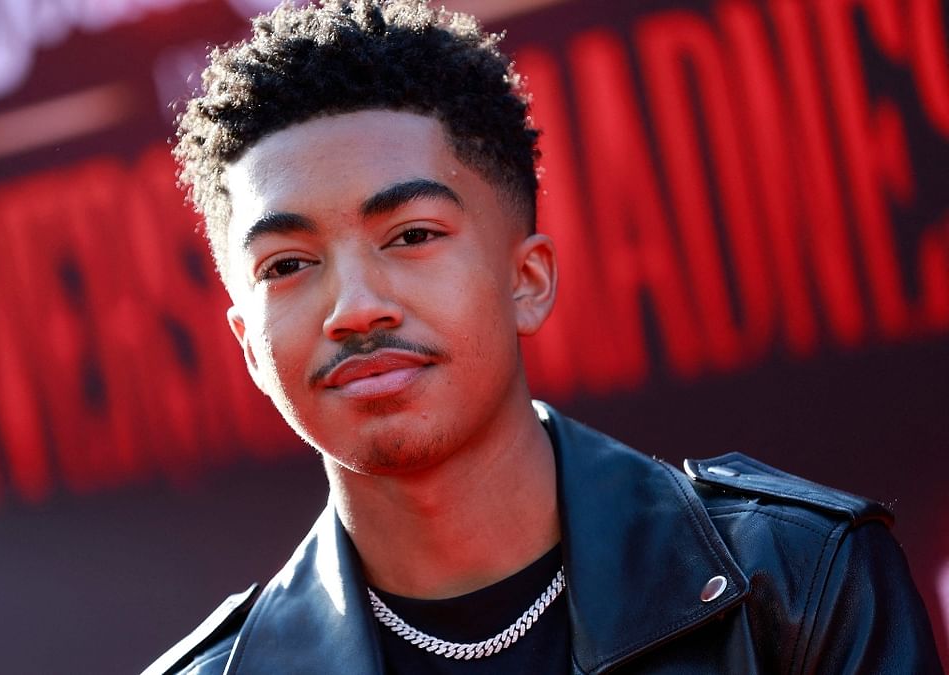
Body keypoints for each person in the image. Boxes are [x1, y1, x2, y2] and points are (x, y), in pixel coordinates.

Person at [144, 1, 943, 673]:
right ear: (249, 344)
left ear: (527, 279)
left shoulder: (798, 584)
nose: (353, 307)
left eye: (412, 235)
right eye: (287, 263)